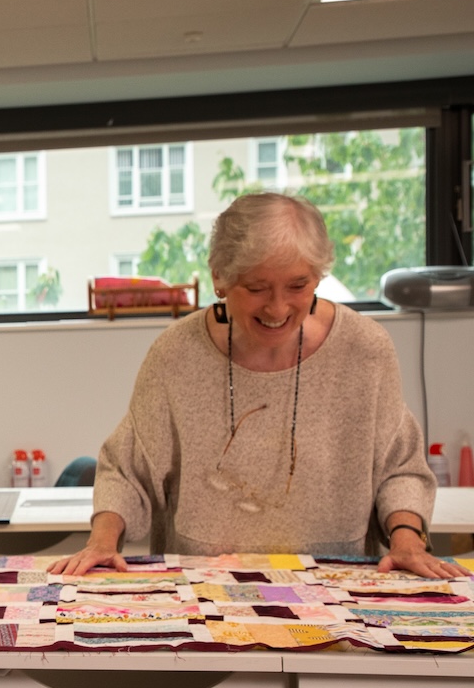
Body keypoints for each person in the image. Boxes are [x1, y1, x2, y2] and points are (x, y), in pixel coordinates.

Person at [51, 192, 456, 580]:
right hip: (203, 583)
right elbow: (127, 471)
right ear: (220, 278)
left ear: (318, 276)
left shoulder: (365, 350)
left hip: (336, 579)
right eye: (256, 288)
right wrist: (102, 542)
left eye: (297, 286)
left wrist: (408, 542)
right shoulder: (175, 355)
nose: (277, 307)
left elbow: (399, 469)